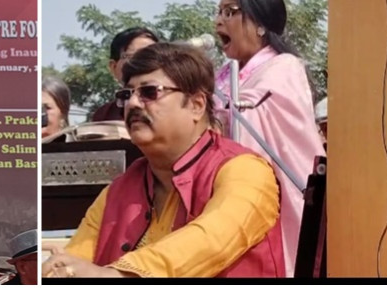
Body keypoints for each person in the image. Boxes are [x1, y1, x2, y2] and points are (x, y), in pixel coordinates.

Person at [42, 43, 283, 278]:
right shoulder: (118, 191)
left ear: (197, 105)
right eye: (127, 94)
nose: (133, 103)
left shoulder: (245, 171)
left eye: (149, 92)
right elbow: (77, 260)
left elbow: (209, 241)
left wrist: (117, 275)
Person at [213, 0, 325, 276]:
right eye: (218, 12)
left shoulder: (283, 68)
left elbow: (244, 118)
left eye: (229, 11)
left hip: (285, 195)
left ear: (260, 22)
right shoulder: (224, 75)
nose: (218, 21)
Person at [92, 27, 158, 122]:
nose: (144, 63)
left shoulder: (174, 103)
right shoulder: (105, 115)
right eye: (133, 57)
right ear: (113, 67)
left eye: (151, 56)